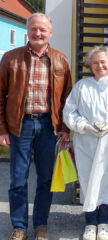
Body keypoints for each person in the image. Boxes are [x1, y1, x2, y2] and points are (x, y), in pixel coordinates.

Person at [0, 13, 72, 240]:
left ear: (50, 33)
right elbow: (0, 96)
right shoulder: (11, 58)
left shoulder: (60, 59)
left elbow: (67, 99)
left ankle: (40, 224)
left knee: (45, 179)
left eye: (42, 30)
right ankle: (19, 227)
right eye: (34, 29)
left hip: (48, 126)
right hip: (20, 126)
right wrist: (2, 129)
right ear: (27, 31)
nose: (38, 33)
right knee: (18, 180)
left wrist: (64, 127)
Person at [63, 45, 108, 240]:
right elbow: (69, 112)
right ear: (90, 66)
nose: (99, 65)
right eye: (95, 62)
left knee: (107, 181)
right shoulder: (82, 87)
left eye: (103, 62)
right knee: (87, 181)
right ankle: (90, 223)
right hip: (87, 142)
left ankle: (103, 222)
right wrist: (84, 126)